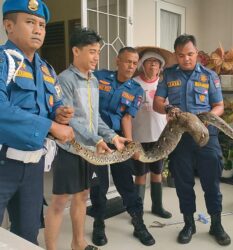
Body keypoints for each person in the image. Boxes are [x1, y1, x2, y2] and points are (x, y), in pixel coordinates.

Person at [44, 28, 127, 250]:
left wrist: (112, 136)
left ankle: (78, 244)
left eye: (98, 52)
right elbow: (71, 120)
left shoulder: (93, 81)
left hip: (90, 150)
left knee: (82, 196)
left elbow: (94, 117)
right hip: (70, 149)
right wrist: (97, 139)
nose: (96, 57)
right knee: (60, 200)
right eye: (91, 51)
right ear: (75, 51)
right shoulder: (65, 79)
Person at [0, 0, 74, 244]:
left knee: (28, 235)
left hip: (33, 166)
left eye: (42, 24)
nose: (38, 29)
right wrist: (51, 127)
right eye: (30, 22)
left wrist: (58, 114)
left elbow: (51, 107)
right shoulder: (4, 61)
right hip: (3, 164)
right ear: (8, 26)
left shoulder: (46, 69)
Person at [153, 34, 231, 246]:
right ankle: (189, 224)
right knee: (183, 183)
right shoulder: (168, 75)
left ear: (196, 53)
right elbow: (157, 102)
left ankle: (216, 224)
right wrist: (168, 108)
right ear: (176, 56)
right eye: (181, 55)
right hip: (180, 137)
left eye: (190, 54)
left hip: (207, 135)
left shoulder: (209, 75)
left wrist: (206, 120)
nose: (186, 59)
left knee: (211, 182)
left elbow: (219, 105)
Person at [89, 47, 155, 247]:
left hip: (118, 140)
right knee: (98, 186)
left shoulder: (136, 89)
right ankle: (99, 224)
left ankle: (139, 224)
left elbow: (127, 118)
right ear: (118, 60)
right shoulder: (99, 77)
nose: (131, 66)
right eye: (127, 62)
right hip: (95, 139)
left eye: (135, 63)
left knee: (126, 183)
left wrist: (130, 145)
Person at [132, 47, 174, 219]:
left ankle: (157, 206)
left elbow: (170, 110)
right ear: (143, 65)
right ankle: (138, 210)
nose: (152, 66)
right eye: (149, 62)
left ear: (160, 66)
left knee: (157, 172)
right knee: (140, 174)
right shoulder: (134, 83)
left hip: (159, 136)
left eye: (156, 63)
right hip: (138, 136)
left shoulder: (163, 85)